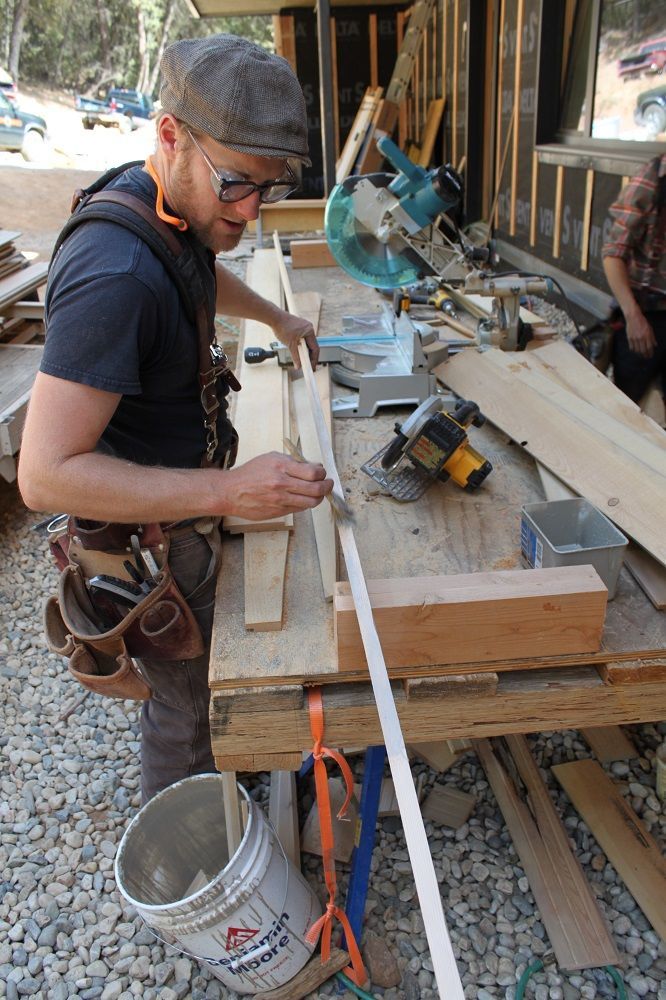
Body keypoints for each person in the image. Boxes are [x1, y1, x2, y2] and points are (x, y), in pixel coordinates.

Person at [18, 34, 333, 803]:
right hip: (149, 541)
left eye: (270, 186)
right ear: (169, 135)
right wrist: (228, 494)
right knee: (183, 710)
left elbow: (195, 269)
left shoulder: (167, 202)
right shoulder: (113, 276)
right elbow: (43, 475)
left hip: (183, 511)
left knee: (204, 690)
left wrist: (276, 320)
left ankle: (225, 785)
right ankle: (190, 865)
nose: (252, 212)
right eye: (237, 184)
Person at [601, 152, 666, 406]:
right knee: (628, 412)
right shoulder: (651, 181)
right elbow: (612, 255)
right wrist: (633, 316)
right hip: (647, 316)